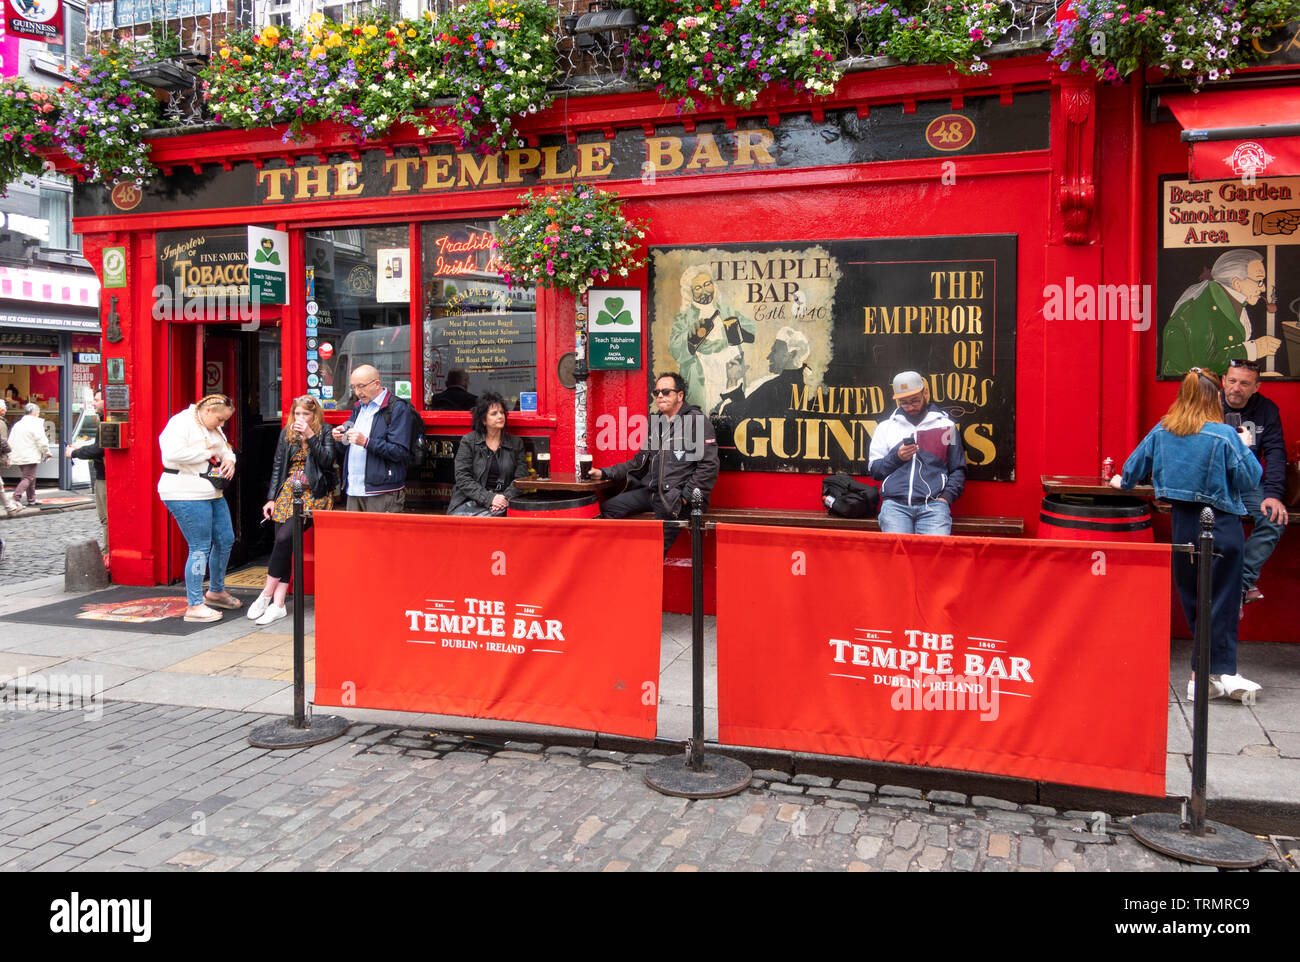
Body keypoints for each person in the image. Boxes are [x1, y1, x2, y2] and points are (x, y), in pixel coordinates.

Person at [1111, 368, 1263, 702]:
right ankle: (1212, 673)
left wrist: (1117, 481)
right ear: (1215, 398)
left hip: (1182, 525)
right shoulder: (1224, 435)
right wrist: (1246, 445)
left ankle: (1210, 675)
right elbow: (1251, 479)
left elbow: (1129, 473)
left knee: (1194, 600)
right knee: (1222, 600)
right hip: (1220, 524)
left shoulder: (1163, 430)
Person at [591, 372, 720, 555]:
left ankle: (641, 577)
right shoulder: (657, 423)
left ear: (680, 396)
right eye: (657, 392)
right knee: (607, 509)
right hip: (652, 492)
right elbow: (638, 462)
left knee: (654, 551)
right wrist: (604, 473)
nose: (660, 396)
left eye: (666, 392)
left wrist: (684, 496)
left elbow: (709, 466)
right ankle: (614, 561)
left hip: (674, 498)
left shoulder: (696, 422)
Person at [248, 396, 338, 626]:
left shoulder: (325, 431)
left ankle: (266, 593)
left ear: (314, 415)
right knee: (283, 543)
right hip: (288, 491)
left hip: (313, 493)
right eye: (297, 414)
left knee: (286, 537)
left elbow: (327, 461)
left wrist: (310, 435)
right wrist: (271, 498)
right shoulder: (286, 433)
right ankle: (278, 605)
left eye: (305, 414)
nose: (300, 418)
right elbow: (278, 465)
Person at [157, 394, 241, 623]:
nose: (222, 424)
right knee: (199, 546)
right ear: (207, 411)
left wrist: (230, 460)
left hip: (211, 491)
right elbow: (171, 455)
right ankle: (194, 605)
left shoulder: (212, 428)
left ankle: (216, 591)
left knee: (225, 539)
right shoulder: (181, 422)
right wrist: (208, 453)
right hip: (185, 492)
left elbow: (226, 450)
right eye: (220, 419)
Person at [1220, 358, 1287, 605]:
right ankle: (1231, 587)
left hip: (1248, 481)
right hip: (1212, 482)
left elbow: (1276, 452)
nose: (1237, 388)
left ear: (1256, 387)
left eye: (1245, 383)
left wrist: (1273, 494)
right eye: (1233, 381)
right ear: (1223, 381)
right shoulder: (1207, 404)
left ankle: (1239, 584)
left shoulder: (1266, 410)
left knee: (1274, 518)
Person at [868, 371, 965, 535]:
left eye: (915, 400)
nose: (910, 407)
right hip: (895, 506)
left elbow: (958, 469)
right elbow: (874, 471)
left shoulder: (947, 426)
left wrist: (945, 498)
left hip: (934, 506)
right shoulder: (885, 427)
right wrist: (897, 457)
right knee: (898, 557)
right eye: (904, 403)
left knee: (934, 557)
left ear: (925, 393)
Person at [1161, 249, 1280, 377]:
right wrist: (1254, 349)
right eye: (1259, 281)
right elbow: (1204, 364)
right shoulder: (1201, 308)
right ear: (1237, 284)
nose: (1263, 288)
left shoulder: (1229, 301)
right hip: (1189, 388)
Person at [669, 265, 756, 412]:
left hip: (730, 372)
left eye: (707, 284)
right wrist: (691, 336)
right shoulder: (684, 317)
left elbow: (751, 333)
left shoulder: (726, 310)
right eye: (698, 288)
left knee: (731, 412)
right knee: (705, 415)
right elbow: (675, 349)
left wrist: (737, 331)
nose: (704, 290)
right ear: (689, 293)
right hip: (703, 376)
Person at [330, 364, 413, 512]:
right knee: (355, 536)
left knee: (381, 536)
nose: (357, 392)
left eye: (361, 386)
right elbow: (346, 446)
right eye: (354, 387)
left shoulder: (397, 408)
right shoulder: (358, 407)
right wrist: (340, 438)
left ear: (377, 384)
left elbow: (400, 451)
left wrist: (366, 442)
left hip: (382, 490)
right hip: (353, 488)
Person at [447, 391, 528, 516]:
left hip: (503, 502)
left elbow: (521, 478)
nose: (500, 416)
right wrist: (489, 499)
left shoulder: (516, 443)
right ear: (484, 420)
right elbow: (462, 477)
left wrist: (504, 498)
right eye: (494, 414)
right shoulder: (469, 441)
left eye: (502, 412)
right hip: (470, 502)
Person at [713, 326, 809, 421]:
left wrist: (732, 379)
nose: (769, 357)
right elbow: (748, 408)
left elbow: (735, 415)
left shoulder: (772, 388)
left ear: (792, 354)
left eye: (775, 351)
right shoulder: (805, 386)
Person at [66, 392, 109, 550]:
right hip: (102, 476)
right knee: (105, 519)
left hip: (105, 478)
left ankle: (107, 553)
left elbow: (99, 449)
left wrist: (75, 453)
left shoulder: (107, 423)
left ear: (106, 401)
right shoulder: (104, 421)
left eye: (97, 400)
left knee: (106, 519)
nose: (93, 403)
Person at [8, 403, 51, 507]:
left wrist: (9, 455)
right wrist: (47, 452)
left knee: (30, 477)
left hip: (19, 455)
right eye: (39, 413)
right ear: (36, 413)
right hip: (30, 455)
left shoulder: (18, 424)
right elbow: (41, 440)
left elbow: (10, 440)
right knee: (28, 478)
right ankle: (15, 498)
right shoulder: (36, 424)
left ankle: (31, 499)